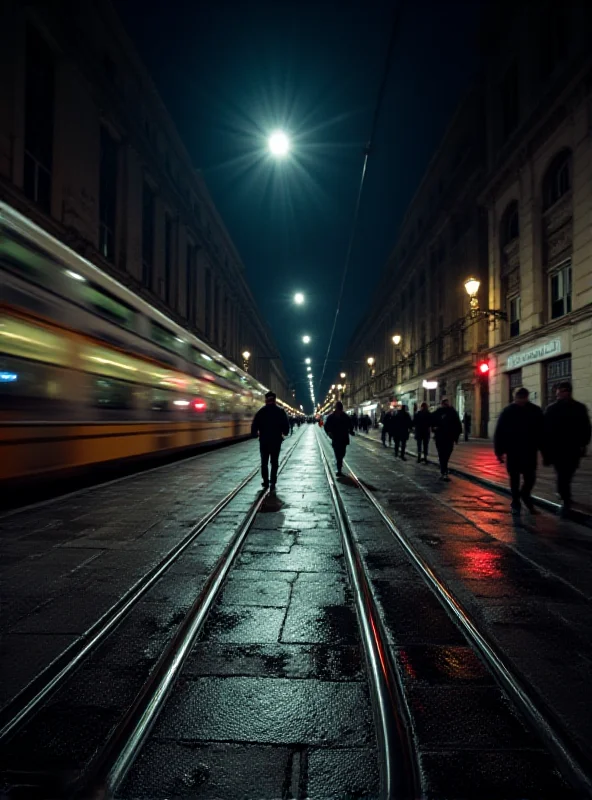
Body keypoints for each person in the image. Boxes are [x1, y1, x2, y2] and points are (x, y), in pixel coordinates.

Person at [543, 381, 591, 517]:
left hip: (572, 448)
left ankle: (564, 495)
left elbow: (586, 427)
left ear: (568, 392)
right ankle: (565, 499)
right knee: (563, 474)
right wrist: (546, 450)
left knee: (567, 474)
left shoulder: (579, 408)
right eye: (559, 391)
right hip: (558, 449)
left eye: (562, 391)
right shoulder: (552, 409)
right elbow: (545, 431)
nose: (560, 393)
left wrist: (583, 444)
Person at [494, 387, 544, 515]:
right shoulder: (508, 411)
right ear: (515, 397)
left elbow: (543, 432)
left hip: (529, 450)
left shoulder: (535, 411)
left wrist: (545, 451)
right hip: (513, 451)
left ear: (527, 397)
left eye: (523, 397)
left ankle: (525, 495)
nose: (521, 400)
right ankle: (516, 501)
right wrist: (499, 451)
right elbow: (500, 432)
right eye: (519, 397)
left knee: (530, 478)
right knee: (514, 478)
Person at [251, 391, 289, 491]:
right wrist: (285, 432)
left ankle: (265, 481)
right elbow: (286, 426)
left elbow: (255, 424)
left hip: (264, 440)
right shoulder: (280, 411)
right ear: (275, 400)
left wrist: (254, 434)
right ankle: (273, 481)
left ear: (266, 400)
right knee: (274, 461)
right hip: (276, 441)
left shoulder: (261, 411)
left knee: (264, 462)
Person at [431, 398, 462, 480]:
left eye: (447, 403)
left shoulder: (452, 412)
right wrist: (434, 428)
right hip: (441, 437)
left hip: (448, 437)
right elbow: (432, 422)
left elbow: (457, 425)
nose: (446, 404)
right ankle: (444, 470)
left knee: (446, 453)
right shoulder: (438, 412)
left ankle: (444, 468)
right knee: (442, 454)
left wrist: (456, 437)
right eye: (445, 403)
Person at [324, 401, 355, 476]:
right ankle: (339, 469)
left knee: (342, 453)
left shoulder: (345, 416)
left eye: (340, 409)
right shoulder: (331, 417)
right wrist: (328, 433)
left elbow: (350, 425)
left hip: (343, 438)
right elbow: (326, 426)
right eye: (338, 408)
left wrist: (351, 431)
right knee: (338, 454)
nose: (339, 410)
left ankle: (339, 463)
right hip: (335, 438)